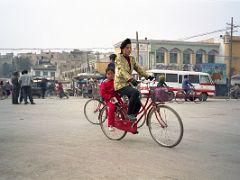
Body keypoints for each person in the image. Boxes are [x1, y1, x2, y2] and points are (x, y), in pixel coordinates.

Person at [115, 38, 154, 121]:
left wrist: (148, 76)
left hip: (127, 84)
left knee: (138, 103)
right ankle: (129, 115)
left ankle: (131, 122)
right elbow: (122, 70)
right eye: (127, 48)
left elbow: (139, 68)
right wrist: (130, 79)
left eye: (130, 48)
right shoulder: (118, 58)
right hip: (120, 85)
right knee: (135, 92)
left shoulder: (131, 58)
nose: (129, 49)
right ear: (122, 49)